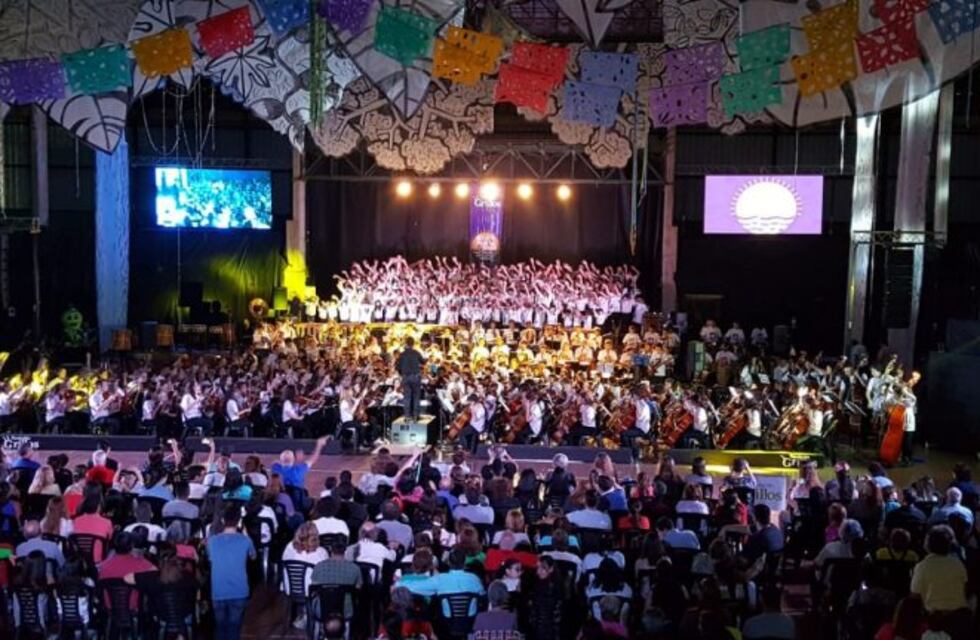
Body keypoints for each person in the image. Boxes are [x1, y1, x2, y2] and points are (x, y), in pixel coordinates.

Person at [206, 505, 257, 640]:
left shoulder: (212, 541)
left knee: (220, 627)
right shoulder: (245, 540)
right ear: (239, 521)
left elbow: (210, 559)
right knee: (234, 628)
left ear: (223, 520)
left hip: (218, 591)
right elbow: (253, 556)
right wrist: (245, 533)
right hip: (239, 591)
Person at [395, 337, 426, 421]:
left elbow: (397, 366)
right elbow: (423, 362)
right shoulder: (416, 352)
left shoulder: (402, 354)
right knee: (416, 397)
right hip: (415, 377)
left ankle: (407, 416)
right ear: (413, 344)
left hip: (405, 377)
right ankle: (416, 416)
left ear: (406, 343)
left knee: (407, 397)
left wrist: (402, 374)